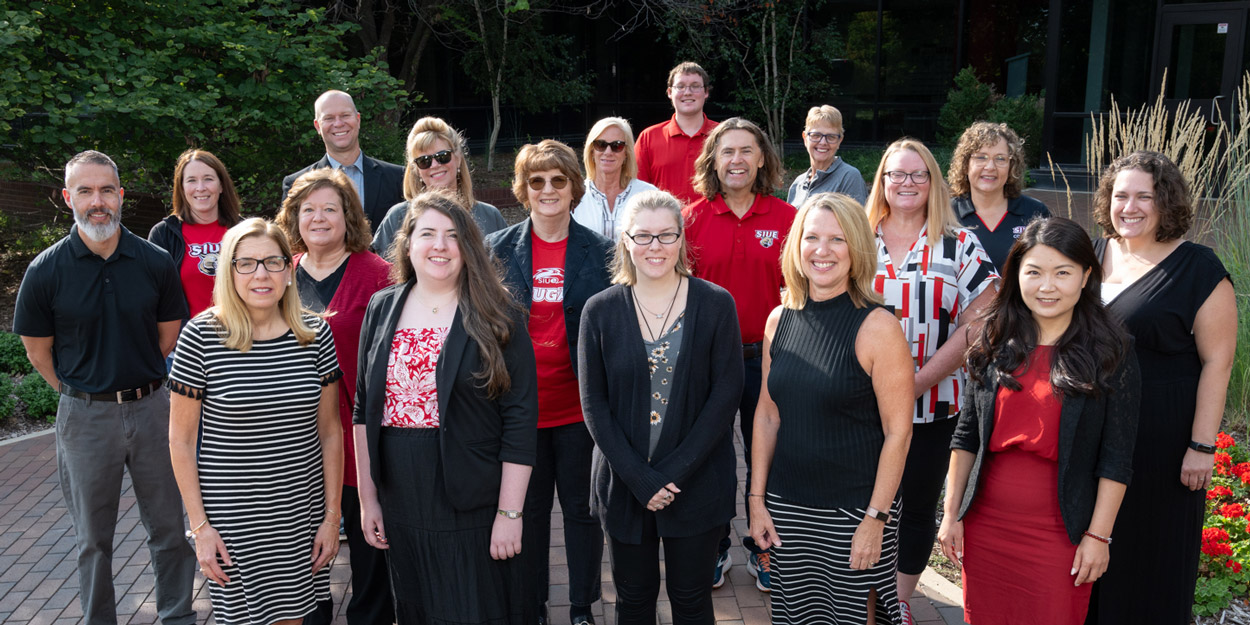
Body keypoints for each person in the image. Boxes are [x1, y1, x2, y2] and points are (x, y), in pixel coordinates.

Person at [14, 150, 197, 625]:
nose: (97, 201)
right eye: (85, 191)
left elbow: (168, 335)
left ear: (120, 194)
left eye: (105, 190)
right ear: (67, 197)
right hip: (85, 419)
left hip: (153, 409)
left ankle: (177, 616)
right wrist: (82, 392)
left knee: (169, 530)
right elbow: (38, 352)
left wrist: (133, 383)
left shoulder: (154, 261)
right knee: (93, 539)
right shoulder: (45, 270)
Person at [938, 217, 1141, 624]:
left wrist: (1098, 536)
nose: (1047, 286)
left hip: (1059, 531)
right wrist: (950, 515)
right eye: (1034, 272)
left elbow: (1116, 457)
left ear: (1086, 276)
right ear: (1016, 276)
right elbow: (966, 436)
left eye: (1062, 273)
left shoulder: (1111, 351)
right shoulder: (993, 340)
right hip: (986, 525)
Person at [353, 190, 538, 625]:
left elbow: (520, 418)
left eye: (453, 236)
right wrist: (368, 498)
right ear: (409, 243)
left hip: (472, 499)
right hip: (402, 496)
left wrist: (510, 514)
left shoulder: (499, 315)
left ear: (469, 247)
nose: (440, 245)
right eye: (428, 234)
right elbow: (364, 408)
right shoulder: (382, 307)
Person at [1085, 151, 1238, 624]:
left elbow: (1218, 361)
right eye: (1120, 195)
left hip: (1162, 442)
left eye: (1143, 197)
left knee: (1152, 560)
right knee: (1092, 558)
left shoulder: (1199, 269)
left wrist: (1201, 445)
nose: (1128, 207)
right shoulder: (1091, 253)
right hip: (1091, 433)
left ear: (1166, 202)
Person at [579, 189, 744, 625]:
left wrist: (670, 475)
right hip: (624, 482)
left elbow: (726, 394)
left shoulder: (715, 303)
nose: (655, 247)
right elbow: (593, 403)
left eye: (666, 236)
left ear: (682, 240)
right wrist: (639, 478)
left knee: (691, 598)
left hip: (696, 482)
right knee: (632, 601)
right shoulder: (599, 311)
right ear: (626, 242)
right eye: (644, 237)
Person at [167, 218, 343, 625]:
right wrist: (200, 528)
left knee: (294, 619)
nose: (261, 274)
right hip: (232, 520)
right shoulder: (201, 336)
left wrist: (332, 517)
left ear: (289, 269)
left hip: (299, 515)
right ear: (229, 270)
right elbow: (180, 441)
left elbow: (331, 432)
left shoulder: (314, 334)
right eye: (246, 263)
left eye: (272, 262)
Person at [749, 193, 913, 625]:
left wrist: (876, 519)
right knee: (796, 616)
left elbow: (900, 432)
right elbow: (768, 414)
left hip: (854, 511)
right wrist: (756, 499)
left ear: (857, 249)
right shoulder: (778, 318)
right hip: (788, 508)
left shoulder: (879, 327)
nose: (822, 251)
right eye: (812, 237)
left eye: (837, 240)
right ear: (796, 244)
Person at [865, 138, 998, 623]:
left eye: (918, 174)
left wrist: (916, 382)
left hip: (934, 402)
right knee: (865, 503)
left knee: (916, 506)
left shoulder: (958, 242)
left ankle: (897, 600)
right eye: (896, 174)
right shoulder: (856, 235)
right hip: (861, 405)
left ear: (933, 183)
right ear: (881, 180)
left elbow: (979, 322)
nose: (906, 183)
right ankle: (862, 598)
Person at [486, 139, 613, 625]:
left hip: (580, 410)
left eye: (558, 180)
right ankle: (531, 606)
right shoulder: (496, 251)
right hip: (520, 413)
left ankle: (581, 607)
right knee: (528, 515)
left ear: (574, 187)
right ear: (522, 189)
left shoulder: (601, 254)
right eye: (536, 181)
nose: (547, 189)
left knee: (583, 514)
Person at [275, 168, 394, 625]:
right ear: (294, 218)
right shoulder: (279, 274)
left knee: (368, 550)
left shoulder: (378, 274)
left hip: (358, 436)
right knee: (304, 554)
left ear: (349, 216)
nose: (319, 218)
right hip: (294, 441)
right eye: (308, 210)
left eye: (330, 208)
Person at [682, 116, 796, 590]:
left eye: (747, 150)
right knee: (708, 457)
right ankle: (714, 548)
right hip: (704, 361)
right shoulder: (690, 218)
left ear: (762, 158)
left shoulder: (788, 219)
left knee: (766, 456)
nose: (737, 160)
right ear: (712, 159)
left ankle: (763, 548)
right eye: (727, 151)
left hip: (768, 359)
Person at [372, 116, 507, 255]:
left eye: (443, 156)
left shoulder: (490, 216)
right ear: (417, 170)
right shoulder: (398, 218)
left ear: (458, 158)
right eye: (424, 161)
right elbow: (382, 274)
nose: (435, 165)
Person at [282, 90, 405, 231]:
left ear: (358, 120)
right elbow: (290, 240)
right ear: (317, 126)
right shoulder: (295, 184)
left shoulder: (397, 177)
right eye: (329, 118)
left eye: (345, 115)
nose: (338, 123)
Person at [148, 148, 242, 319]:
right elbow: (153, 297)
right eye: (191, 180)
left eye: (208, 179)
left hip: (240, 336)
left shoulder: (245, 230)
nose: (200, 188)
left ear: (221, 185)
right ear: (182, 188)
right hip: (186, 340)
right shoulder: (163, 235)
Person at [948, 122, 1051, 271]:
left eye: (1000, 159)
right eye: (981, 157)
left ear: (1012, 166)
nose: (990, 167)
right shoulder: (946, 213)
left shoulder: (1035, 212)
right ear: (965, 165)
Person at [635, 61, 719, 205]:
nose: (687, 92)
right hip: (664, 225)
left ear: (706, 92)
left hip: (714, 224)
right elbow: (636, 191)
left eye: (695, 86)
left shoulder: (723, 135)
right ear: (669, 92)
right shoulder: (648, 137)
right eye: (680, 86)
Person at [573, 117, 659, 239]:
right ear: (591, 151)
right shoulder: (574, 195)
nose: (608, 152)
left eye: (617, 146)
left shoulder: (649, 195)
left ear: (627, 153)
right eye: (600, 145)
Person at [786, 106, 867, 207]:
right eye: (816, 135)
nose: (823, 142)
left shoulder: (849, 177)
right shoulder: (797, 184)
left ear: (839, 141)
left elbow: (856, 221)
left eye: (831, 137)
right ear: (805, 138)